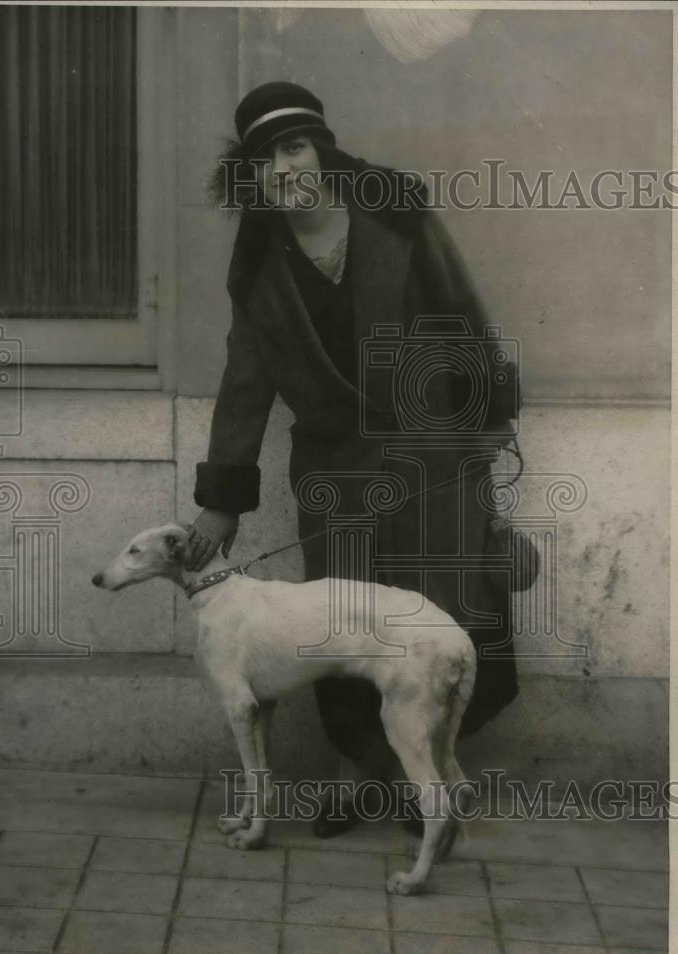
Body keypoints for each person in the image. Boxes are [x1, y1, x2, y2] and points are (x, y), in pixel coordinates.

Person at [189, 81, 521, 837]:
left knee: (434, 613)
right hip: (335, 473)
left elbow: (462, 317)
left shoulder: (397, 221)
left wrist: (484, 423)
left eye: (295, 146)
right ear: (253, 177)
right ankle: (355, 771)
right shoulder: (259, 268)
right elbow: (244, 381)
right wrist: (222, 496)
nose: (284, 169)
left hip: (430, 457)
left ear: (322, 148)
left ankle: (422, 777)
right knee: (342, 623)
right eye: (265, 159)